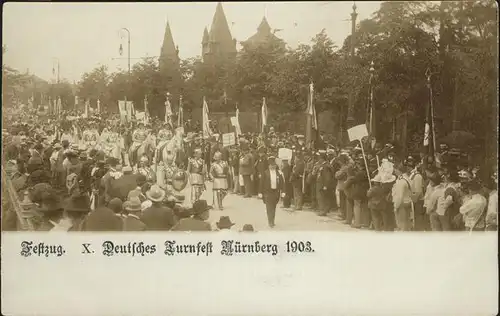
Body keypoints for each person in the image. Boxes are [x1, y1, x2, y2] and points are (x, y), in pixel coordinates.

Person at [259, 156, 285, 228]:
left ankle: (272, 220)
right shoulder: (265, 173)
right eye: (271, 165)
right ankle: (270, 221)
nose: (272, 167)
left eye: (274, 165)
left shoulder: (279, 173)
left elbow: (282, 183)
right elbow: (261, 183)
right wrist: (260, 192)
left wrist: (283, 191)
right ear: (268, 166)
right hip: (267, 192)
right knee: (269, 208)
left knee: (273, 208)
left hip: (276, 192)